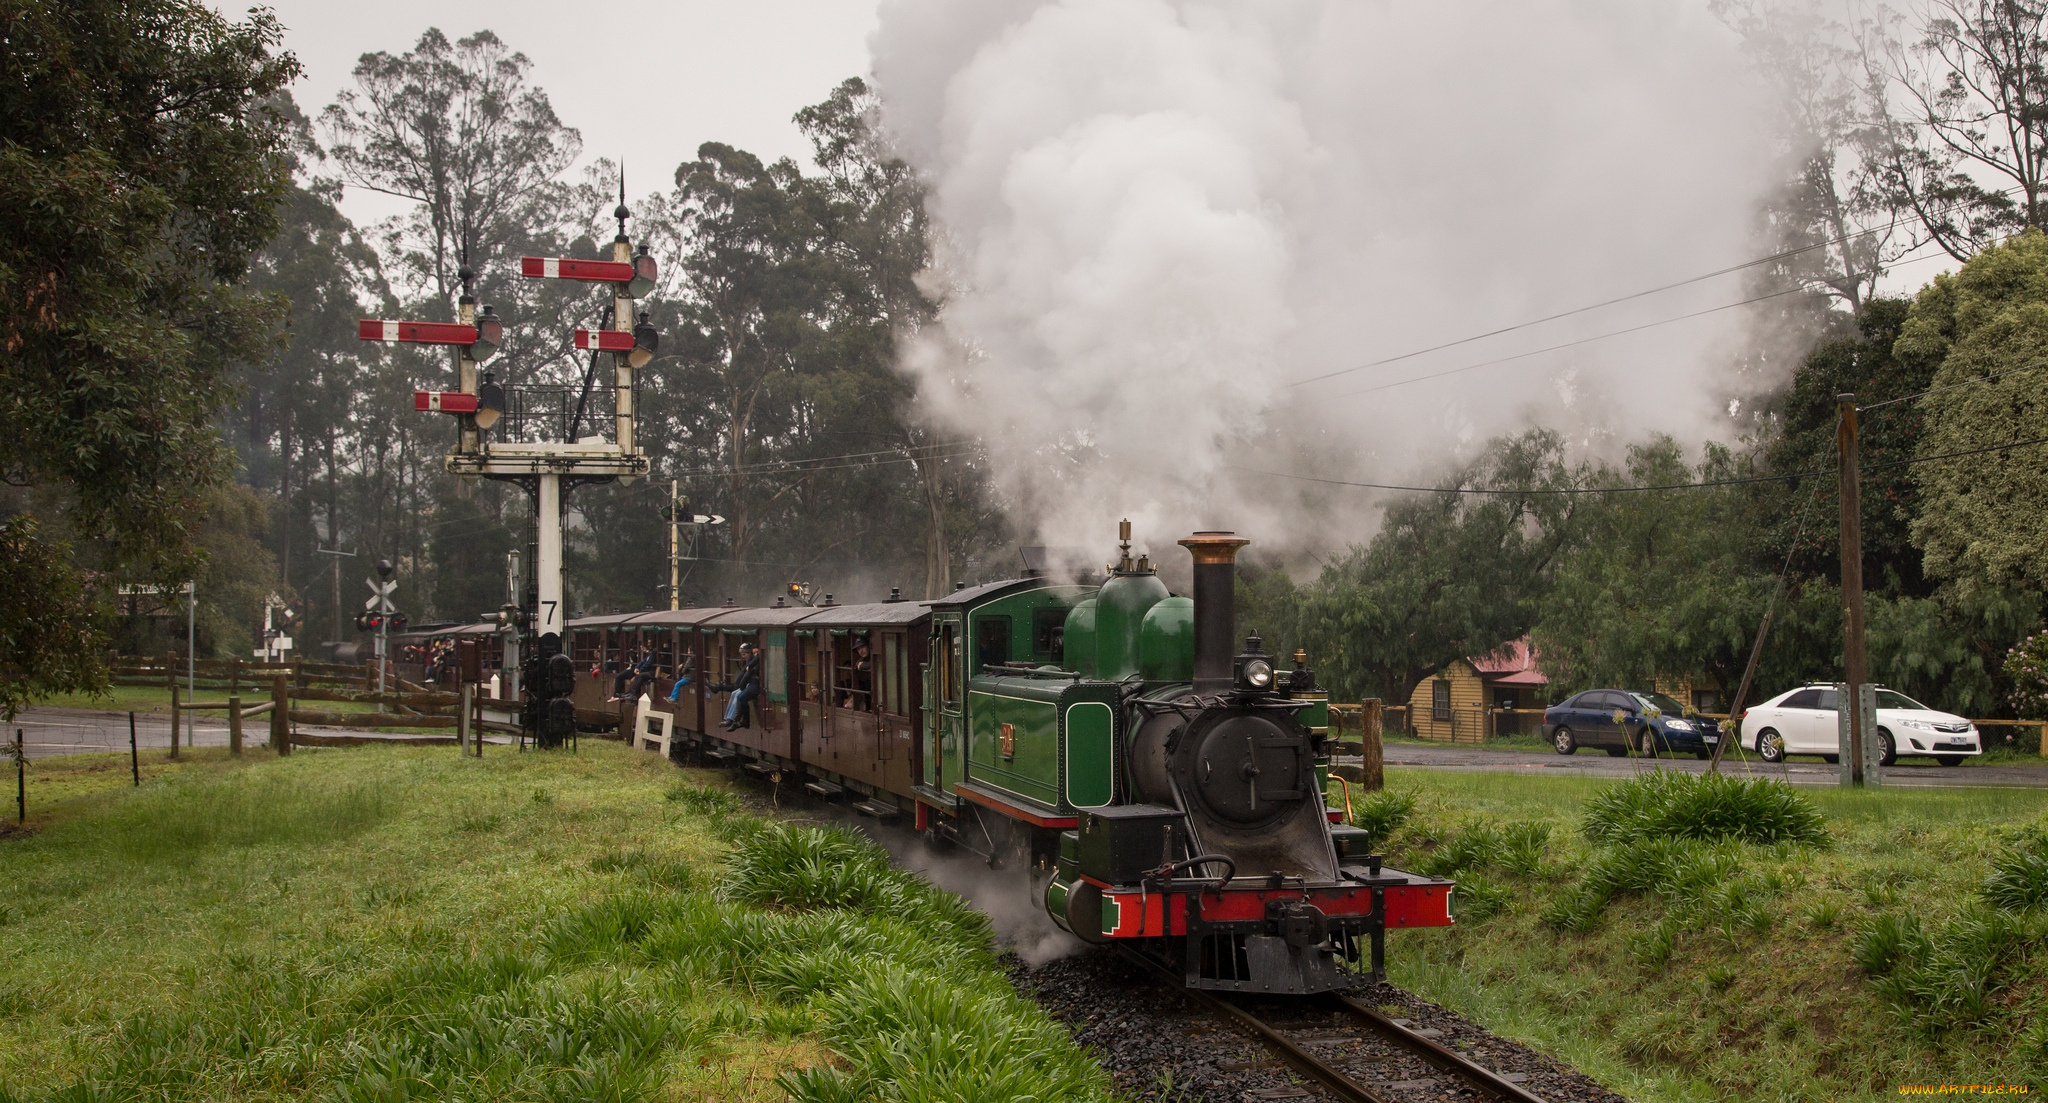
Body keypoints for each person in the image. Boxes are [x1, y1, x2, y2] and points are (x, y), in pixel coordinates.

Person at [711, 643, 761, 730]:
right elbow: (746, 673)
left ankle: (734, 720)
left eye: (757, 652)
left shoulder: (755, 661)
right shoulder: (752, 661)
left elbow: (749, 671)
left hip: (752, 685)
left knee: (739, 696)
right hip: (748, 684)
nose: (755, 654)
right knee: (735, 693)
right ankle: (728, 718)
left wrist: (742, 683)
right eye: (754, 653)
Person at [840, 639, 873, 710]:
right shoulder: (861, 660)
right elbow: (857, 665)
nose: (861, 651)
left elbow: (875, 663)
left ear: (869, 646)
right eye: (858, 649)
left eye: (863, 647)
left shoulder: (874, 657)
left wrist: (863, 666)